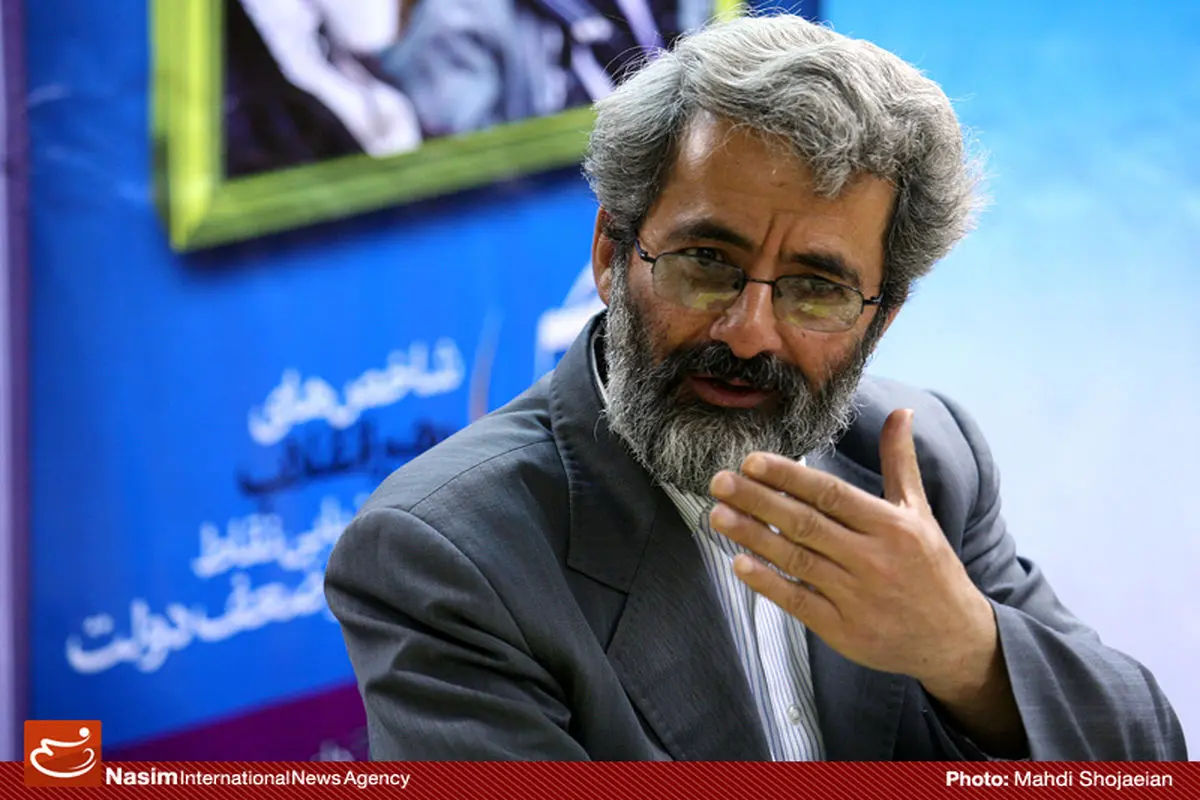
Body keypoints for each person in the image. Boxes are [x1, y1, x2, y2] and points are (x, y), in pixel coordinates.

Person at [324, 14, 1187, 761]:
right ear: (612, 254)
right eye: (707, 263)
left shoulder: (920, 466)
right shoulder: (448, 553)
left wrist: (967, 652)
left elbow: (1144, 753)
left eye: (816, 288)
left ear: (881, 317)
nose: (748, 332)